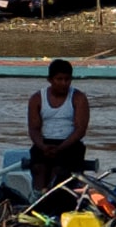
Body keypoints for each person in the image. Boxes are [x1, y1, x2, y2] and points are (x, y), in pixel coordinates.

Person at [25, 57, 91, 187]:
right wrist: (43, 146)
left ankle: (55, 199)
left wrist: (60, 148)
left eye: (67, 79)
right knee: (39, 169)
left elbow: (80, 130)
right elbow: (34, 129)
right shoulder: (37, 99)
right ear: (50, 80)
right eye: (59, 79)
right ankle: (38, 198)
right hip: (44, 144)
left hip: (70, 144)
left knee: (58, 171)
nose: (64, 83)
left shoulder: (79, 98)